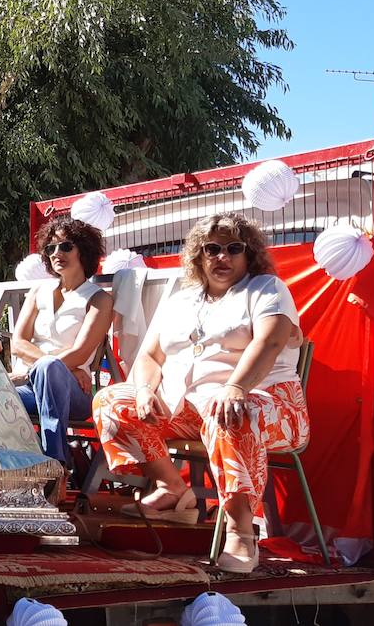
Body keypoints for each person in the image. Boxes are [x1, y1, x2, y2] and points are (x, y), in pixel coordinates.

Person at [92, 212, 309, 574]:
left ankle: (241, 531)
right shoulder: (182, 299)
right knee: (111, 402)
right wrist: (146, 389)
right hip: (192, 408)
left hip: (269, 404)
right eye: (212, 248)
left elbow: (270, 341)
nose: (221, 257)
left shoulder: (268, 289)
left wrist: (236, 387)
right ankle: (172, 486)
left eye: (233, 248)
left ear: (249, 253)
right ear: (199, 255)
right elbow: (149, 355)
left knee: (231, 411)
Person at [9, 217, 113, 466]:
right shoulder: (38, 293)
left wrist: (51, 369)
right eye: (50, 248)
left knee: (49, 368)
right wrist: (60, 367)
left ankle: (55, 464)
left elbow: (80, 352)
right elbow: (18, 343)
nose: (57, 253)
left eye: (66, 246)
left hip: (75, 394)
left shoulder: (98, 300)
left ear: (83, 251)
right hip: (32, 387)